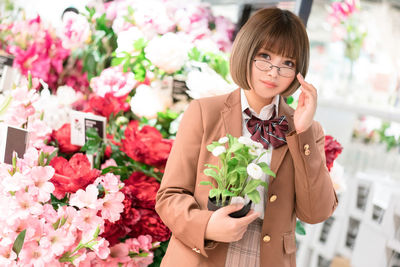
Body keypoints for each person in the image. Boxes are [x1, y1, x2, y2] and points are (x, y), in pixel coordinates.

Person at [155, 7, 338, 267]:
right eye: (264, 56)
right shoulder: (205, 112)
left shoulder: (307, 129)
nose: (273, 72)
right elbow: (169, 196)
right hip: (203, 256)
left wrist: (303, 131)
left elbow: (315, 212)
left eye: (288, 63)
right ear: (246, 52)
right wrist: (206, 225)